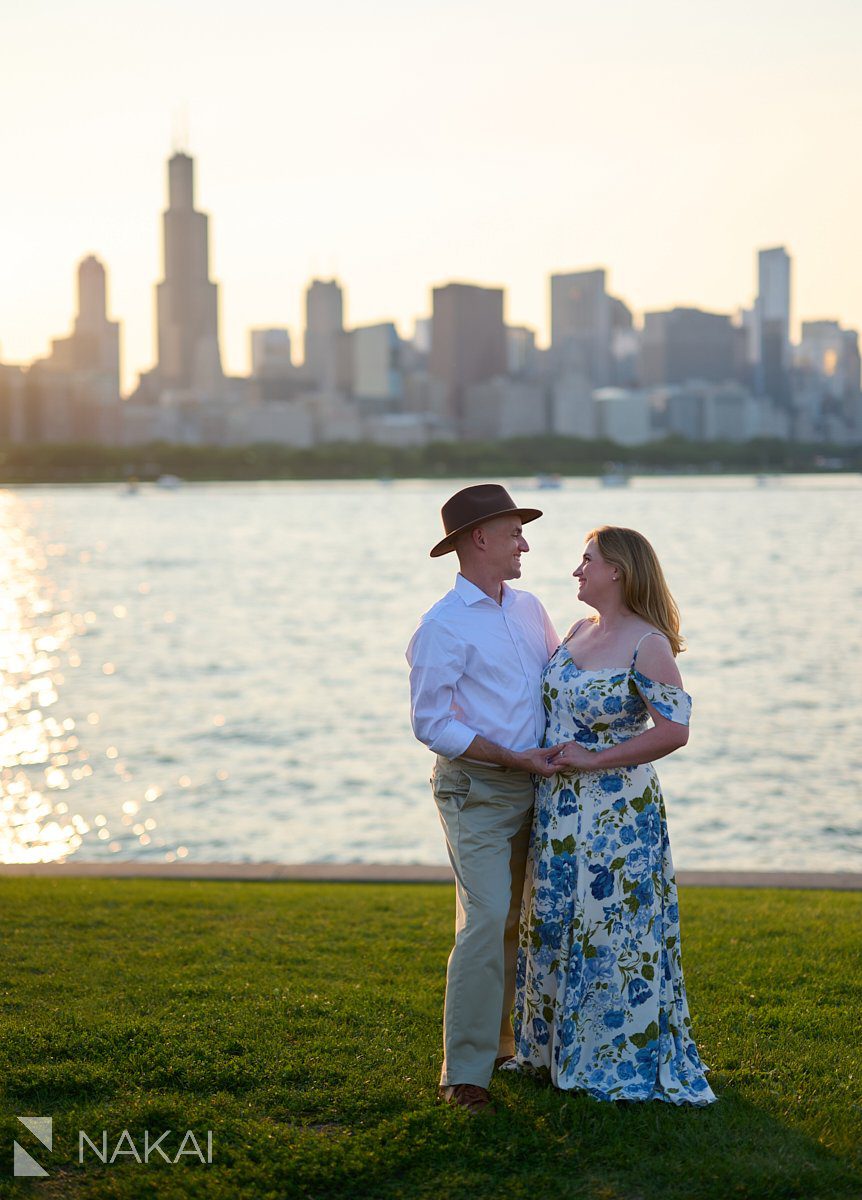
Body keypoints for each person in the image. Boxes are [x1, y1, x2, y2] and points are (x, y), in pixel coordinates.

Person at [512, 525, 716, 1104]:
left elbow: (674, 731)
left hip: (616, 814)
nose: (577, 570)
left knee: (610, 930)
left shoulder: (646, 644)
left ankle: (614, 1056)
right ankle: (549, 1052)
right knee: (553, 922)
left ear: (618, 570)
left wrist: (595, 756)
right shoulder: (577, 630)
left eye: (587, 560)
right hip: (557, 809)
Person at [406, 483, 562, 1115]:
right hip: (477, 788)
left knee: (516, 922)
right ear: (479, 540)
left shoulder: (529, 608)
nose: (524, 543)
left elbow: (557, 681)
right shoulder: (440, 627)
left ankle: (508, 1045)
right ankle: (464, 1074)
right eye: (513, 532)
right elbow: (430, 723)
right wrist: (509, 756)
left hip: (538, 784)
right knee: (484, 918)